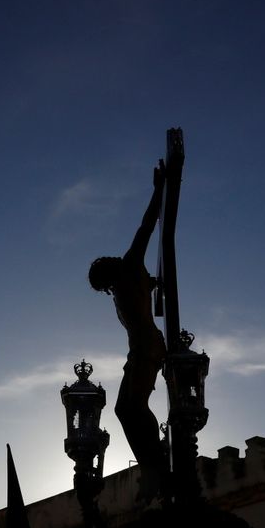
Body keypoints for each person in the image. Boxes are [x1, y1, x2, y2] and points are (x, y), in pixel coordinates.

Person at [89, 164, 168, 501]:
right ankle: (152, 462)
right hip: (137, 350)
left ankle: (157, 464)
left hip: (149, 345)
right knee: (123, 410)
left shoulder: (130, 264)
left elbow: (146, 226)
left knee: (135, 406)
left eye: (103, 282)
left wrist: (158, 188)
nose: (107, 289)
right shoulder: (128, 282)